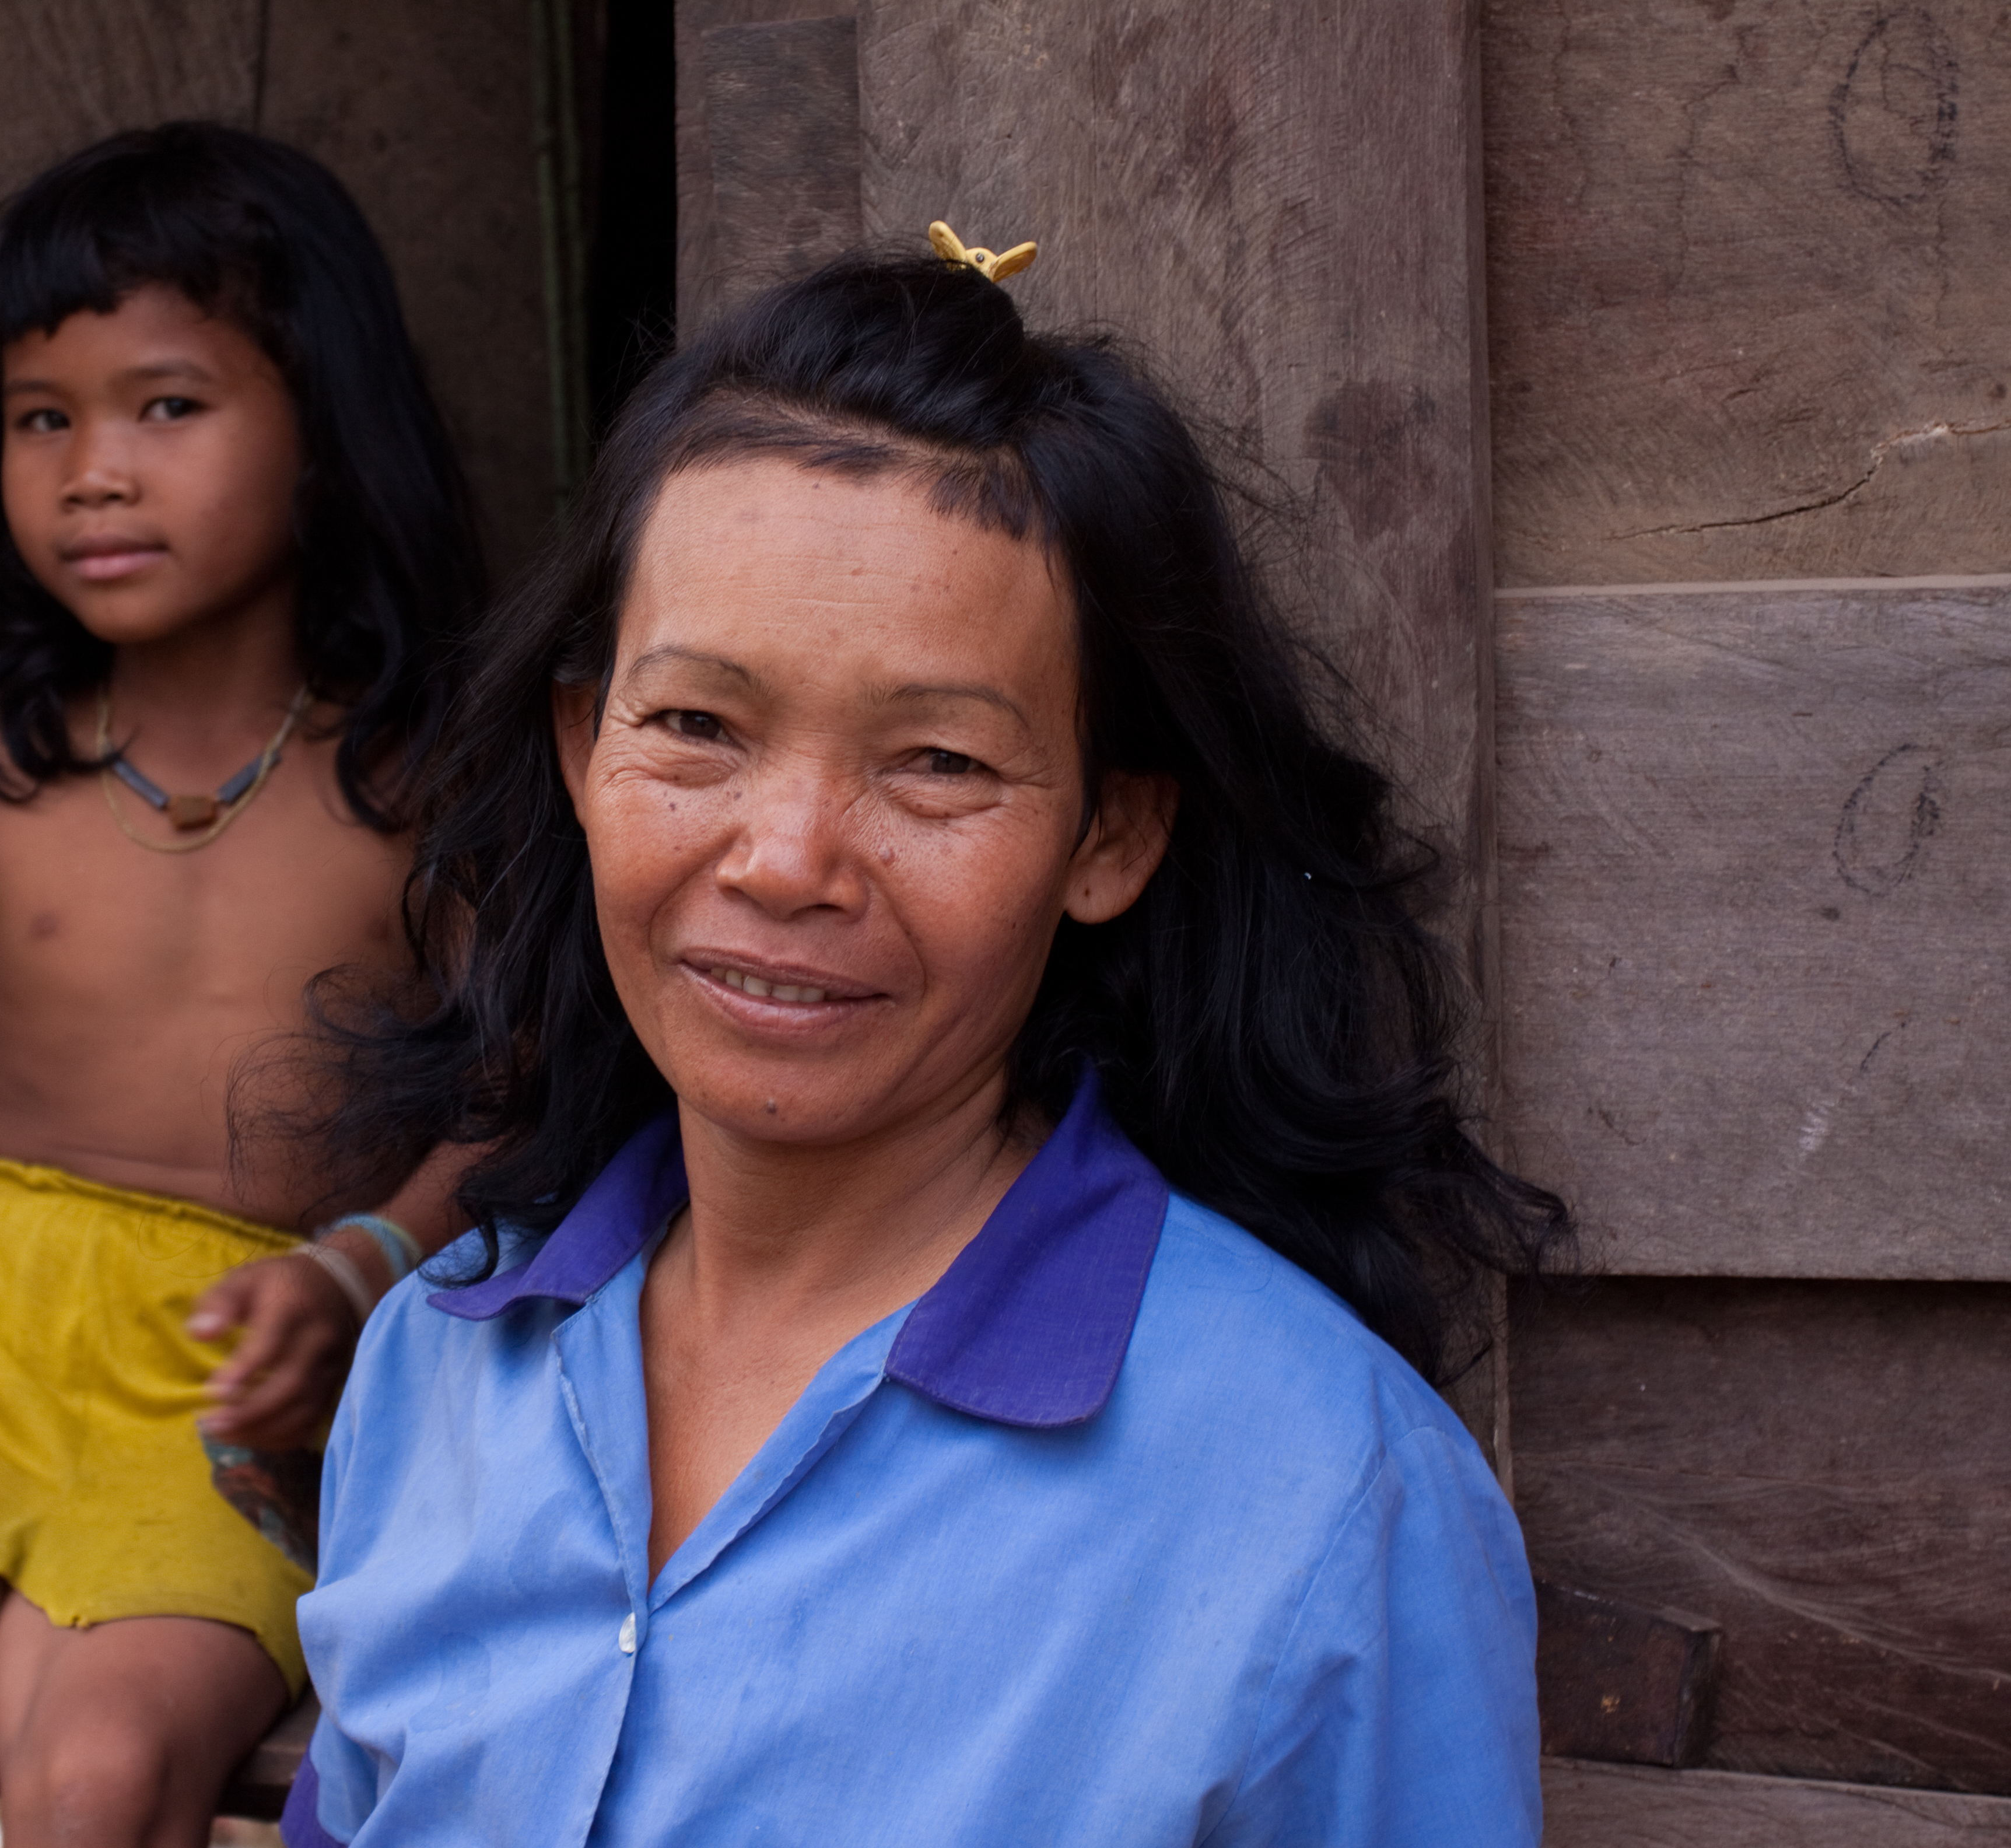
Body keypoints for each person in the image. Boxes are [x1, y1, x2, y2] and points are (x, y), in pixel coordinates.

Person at [283, 248, 1571, 1846]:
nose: (785, 861)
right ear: (581, 745)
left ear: (1109, 834)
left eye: (939, 762)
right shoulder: (435, 1363)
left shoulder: (1328, 1492)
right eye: (695, 725)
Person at [0, 124, 483, 1848]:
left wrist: (362, 1265)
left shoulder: (425, 784)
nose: (92, 474)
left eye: (167, 406)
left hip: (229, 1393)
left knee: (102, 1781)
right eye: (41, 418)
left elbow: (525, 1107)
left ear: (326, 425)